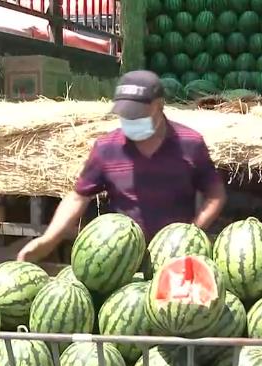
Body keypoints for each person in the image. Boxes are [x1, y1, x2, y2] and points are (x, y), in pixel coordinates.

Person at [17, 70, 226, 262]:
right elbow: (78, 197)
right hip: (122, 259)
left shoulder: (190, 143)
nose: (130, 120)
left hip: (175, 257)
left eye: (136, 113)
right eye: (125, 114)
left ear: (159, 105)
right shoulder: (107, 147)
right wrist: (49, 239)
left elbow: (215, 195)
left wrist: (191, 235)